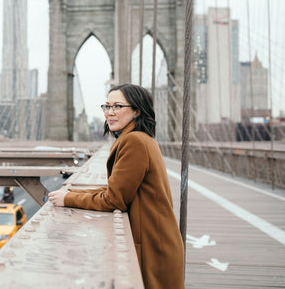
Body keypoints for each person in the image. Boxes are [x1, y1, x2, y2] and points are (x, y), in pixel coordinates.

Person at [48, 83, 184, 289]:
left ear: (137, 110)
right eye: (107, 107)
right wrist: (74, 192)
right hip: (155, 240)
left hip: (152, 246)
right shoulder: (139, 138)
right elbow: (116, 190)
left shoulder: (134, 142)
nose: (109, 113)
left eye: (117, 107)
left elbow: (114, 199)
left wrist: (68, 199)